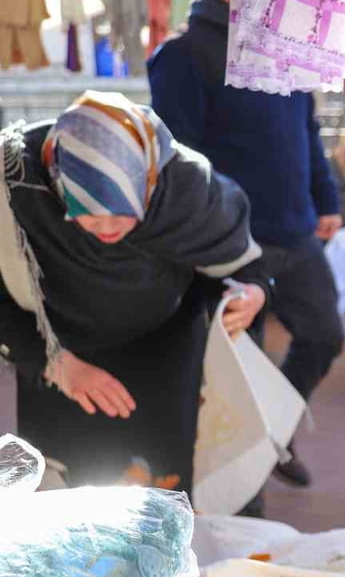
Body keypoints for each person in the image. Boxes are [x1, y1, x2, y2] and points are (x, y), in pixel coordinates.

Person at [0, 91, 267, 492]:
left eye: (124, 213)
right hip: (56, 350)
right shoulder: (16, 187)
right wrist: (56, 365)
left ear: (149, 184)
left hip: (165, 347)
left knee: (162, 488)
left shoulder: (185, 186)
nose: (107, 228)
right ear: (58, 186)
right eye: (87, 213)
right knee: (70, 495)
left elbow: (243, 265)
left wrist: (253, 293)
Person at [148, 0, 345, 489]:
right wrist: (207, 236)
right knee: (238, 369)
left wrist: (326, 198)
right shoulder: (181, 55)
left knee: (324, 335)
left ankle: (276, 432)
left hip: (296, 229)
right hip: (232, 241)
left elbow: (308, 131)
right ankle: (244, 491)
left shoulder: (285, 47)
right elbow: (180, 159)